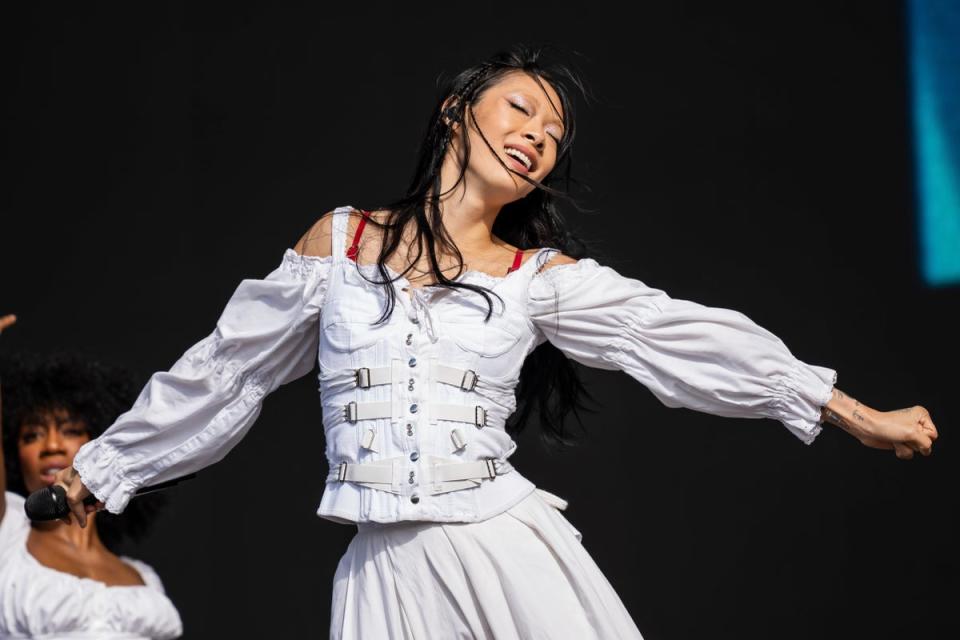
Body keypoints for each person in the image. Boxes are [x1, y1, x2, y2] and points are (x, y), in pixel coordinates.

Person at [50, 45, 938, 639]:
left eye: (552, 137)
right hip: (381, 575)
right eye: (521, 112)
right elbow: (226, 373)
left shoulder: (535, 278)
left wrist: (846, 410)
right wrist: (102, 472)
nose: (537, 139)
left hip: (498, 546)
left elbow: (670, 334)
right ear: (454, 111)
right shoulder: (343, 241)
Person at [0, 317, 183, 639]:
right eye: (32, 436)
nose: (52, 446)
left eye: (70, 431)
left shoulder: (143, 577)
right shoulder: (8, 534)